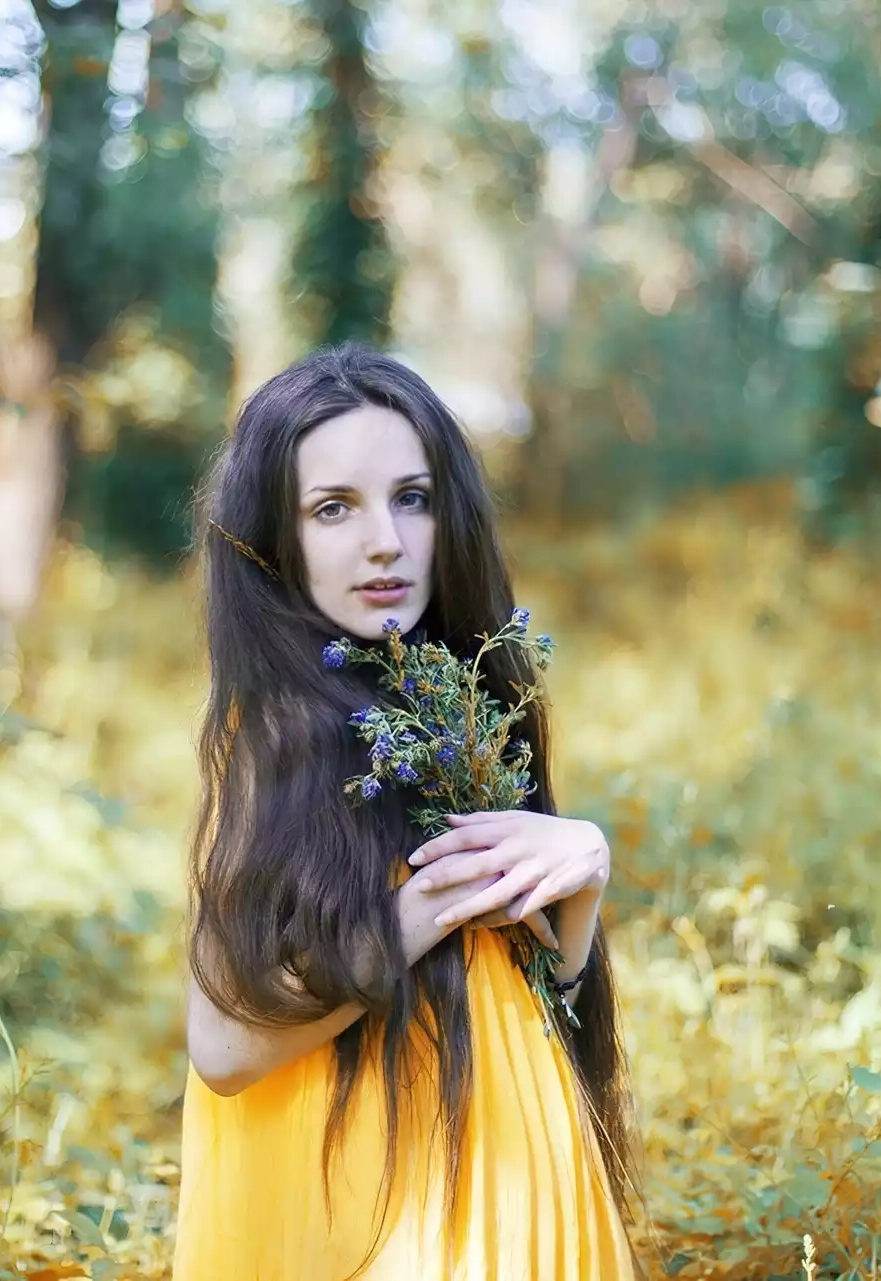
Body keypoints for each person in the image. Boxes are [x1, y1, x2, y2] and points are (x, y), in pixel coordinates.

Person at [173, 344, 641, 1279]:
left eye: (412, 498)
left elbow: (537, 989)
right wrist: (431, 906)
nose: (384, 539)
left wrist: (579, 870)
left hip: (507, 1178)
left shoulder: (459, 699)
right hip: (369, 1211)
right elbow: (224, 1045)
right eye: (333, 507)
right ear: (277, 537)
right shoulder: (280, 734)